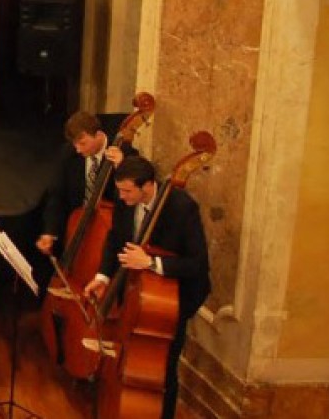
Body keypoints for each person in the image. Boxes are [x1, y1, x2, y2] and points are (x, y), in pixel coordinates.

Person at [83, 156, 210, 419]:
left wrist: (151, 262)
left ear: (148, 185)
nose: (121, 196)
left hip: (172, 300)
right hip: (135, 293)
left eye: (127, 191)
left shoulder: (182, 208)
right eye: (120, 190)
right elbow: (115, 239)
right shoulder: (126, 201)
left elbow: (197, 264)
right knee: (131, 357)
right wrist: (103, 277)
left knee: (162, 368)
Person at [37, 110, 131, 260]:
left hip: (108, 233)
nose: (78, 149)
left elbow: (132, 195)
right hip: (76, 228)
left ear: (98, 135)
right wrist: (50, 231)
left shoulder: (125, 153)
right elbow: (57, 195)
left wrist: (122, 167)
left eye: (82, 143)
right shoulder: (68, 154)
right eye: (74, 144)